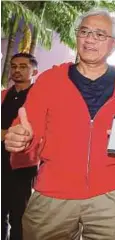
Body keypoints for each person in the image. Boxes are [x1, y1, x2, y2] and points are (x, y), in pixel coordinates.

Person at [4, 9, 115, 240]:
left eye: (100, 34)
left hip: (112, 196)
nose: (90, 39)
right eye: (84, 31)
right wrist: (20, 138)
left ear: (113, 43)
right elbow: (27, 128)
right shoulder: (50, 80)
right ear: (77, 36)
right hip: (53, 193)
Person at [1, 53, 39, 240]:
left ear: (34, 71)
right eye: (14, 66)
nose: (17, 70)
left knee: (19, 215)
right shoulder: (3, 95)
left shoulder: (39, 98)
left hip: (23, 165)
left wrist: (5, 133)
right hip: (1, 162)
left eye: (23, 66)